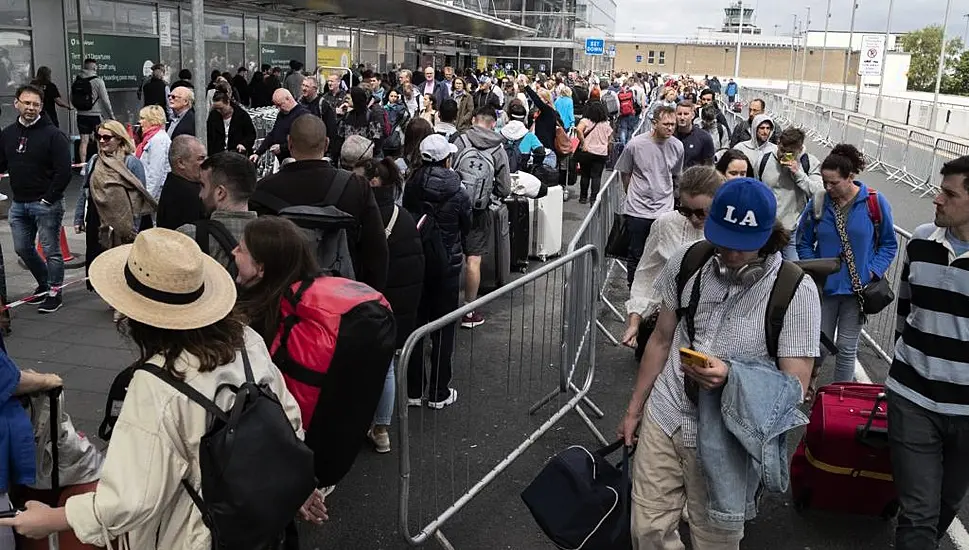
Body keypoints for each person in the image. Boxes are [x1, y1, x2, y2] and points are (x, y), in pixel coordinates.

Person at [0, 227, 326, 546]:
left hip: (197, 532)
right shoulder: (245, 340)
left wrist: (52, 520)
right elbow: (287, 419)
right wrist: (292, 486)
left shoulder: (158, 382)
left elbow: (130, 500)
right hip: (256, 520)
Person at [619, 177, 821, 550]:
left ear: (768, 236)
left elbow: (794, 387)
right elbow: (662, 339)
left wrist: (731, 377)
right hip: (666, 414)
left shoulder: (795, 290)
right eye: (722, 240)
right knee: (646, 530)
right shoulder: (690, 260)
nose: (729, 253)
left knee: (715, 540)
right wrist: (634, 409)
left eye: (742, 247)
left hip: (727, 439)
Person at [887, 155, 969, 550]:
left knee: (946, 503)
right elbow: (906, 308)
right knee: (918, 513)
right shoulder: (920, 240)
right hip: (913, 397)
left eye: (949, 194)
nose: (936, 199)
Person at [796, 144, 897, 387]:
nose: (828, 188)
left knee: (846, 348)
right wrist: (815, 268)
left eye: (834, 183)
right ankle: (810, 384)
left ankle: (840, 395)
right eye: (825, 182)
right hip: (825, 289)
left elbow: (888, 244)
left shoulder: (874, 202)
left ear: (850, 177)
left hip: (857, 292)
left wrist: (871, 271)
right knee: (819, 344)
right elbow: (803, 241)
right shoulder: (819, 203)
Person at [250, 115, 388, 292]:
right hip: (341, 297)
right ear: (327, 143)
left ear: (290, 144)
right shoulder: (355, 186)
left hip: (283, 299)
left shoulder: (263, 191)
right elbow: (376, 250)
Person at [357, 158, 424, 452]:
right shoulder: (404, 216)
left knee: (365, 367)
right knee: (387, 366)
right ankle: (381, 428)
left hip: (368, 300)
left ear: (372, 182)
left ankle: (361, 424)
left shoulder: (361, 216)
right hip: (399, 305)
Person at [402, 134, 471, 409]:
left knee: (417, 324)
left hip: (417, 260)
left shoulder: (411, 186)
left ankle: (414, 389)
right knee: (444, 328)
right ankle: (439, 391)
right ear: (447, 159)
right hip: (448, 262)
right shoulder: (458, 190)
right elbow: (466, 223)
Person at [621, 166, 723, 350]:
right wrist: (635, 322)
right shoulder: (666, 224)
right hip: (665, 327)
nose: (693, 218)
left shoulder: (729, 231)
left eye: (701, 213)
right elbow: (646, 274)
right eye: (685, 210)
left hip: (710, 336)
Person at [0, 85, 72, 314]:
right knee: (22, 248)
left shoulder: (53, 135)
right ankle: (44, 283)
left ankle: (54, 291)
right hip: (19, 203)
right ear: (17, 103)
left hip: (45, 204)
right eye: (27, 103)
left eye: (36, 104)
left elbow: (64, 171)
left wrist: (49, 199)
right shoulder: (8, 133)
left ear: (41, 106)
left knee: (51, 250)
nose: (31, 108)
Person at [74, 120, 155, 321]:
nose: (102, 141)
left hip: (126, 220)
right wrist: (78, 217)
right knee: (105, 261)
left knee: (125, 262)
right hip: (98, 219)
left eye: (107, 137)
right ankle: (114, 298)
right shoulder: (94, 160)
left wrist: (133, 226)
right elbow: (85, 190)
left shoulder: (131, 162)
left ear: (119, 139)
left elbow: (140, 193)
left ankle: (126, 303)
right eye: (99, 137)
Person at [452, 106, 512, 328]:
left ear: (474, 119)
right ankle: (468, 310)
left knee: (448, 253)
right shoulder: (498, 148)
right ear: (493, 123)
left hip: (454, 204)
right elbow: (505, 187)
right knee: (473, 259)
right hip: (479, 210)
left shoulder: (460, 141)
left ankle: (442, 306)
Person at [616, 105, 684, 286]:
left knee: (663, 254)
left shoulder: (677, 146)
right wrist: (630, 193)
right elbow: (625, 172)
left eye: (673, 124)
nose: (670, 128)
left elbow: (676, 174)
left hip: (664, 210)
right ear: (654, 123)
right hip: (637, 210)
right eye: (666, 124)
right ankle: (633, 292)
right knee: (636, 255)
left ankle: (655, 295)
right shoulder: (635, 144)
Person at [177, 152, 257, 272]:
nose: (200, 195)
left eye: (203, 186)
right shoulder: (273, 238)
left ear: (220, 193)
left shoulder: (189, 236)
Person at [758, 128, 823, 260]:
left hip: (793, 231)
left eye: (790, 153)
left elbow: (819, 193)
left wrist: (798, 174)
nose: (784, 155)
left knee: (792, 272)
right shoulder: (763, 160)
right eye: (782, 150)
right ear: (778, 142)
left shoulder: (809, 162)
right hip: (767, 228)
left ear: (799, 149)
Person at [156, 135, 207, 230]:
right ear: (181, 163)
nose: (206, 163)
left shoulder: (175, 183)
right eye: (201, 158)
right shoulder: (187, 194)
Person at [249, 89, 310, 163]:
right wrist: (258, 153)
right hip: (283, 161)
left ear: (288, 99)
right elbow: (273, 134)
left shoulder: (303, 115)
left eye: (280, 105)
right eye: (276, 106)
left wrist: (282, 148)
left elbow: (303, 141)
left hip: (296, 162)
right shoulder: (282, 114)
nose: (278, 108)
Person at [74, 59, 114, 169]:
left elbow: (72, 97)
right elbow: (106, 100)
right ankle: (100, 164)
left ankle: (83, 167)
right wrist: (111, 115)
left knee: (84, 141)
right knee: (99, 140)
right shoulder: (98, 81)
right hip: (95, 115)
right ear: (94, 68)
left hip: (81, 114)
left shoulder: (77, 80)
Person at [574, 100, 613, 204]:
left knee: (585, 175)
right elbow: (610, 140)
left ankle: (583, 197)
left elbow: (578, 130)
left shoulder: (586, 121)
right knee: (596, 176)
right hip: (601, 153)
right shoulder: (606, 124)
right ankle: (594, 198)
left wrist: (583, 143)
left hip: (587, 151)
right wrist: (609, 151)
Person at [136, 105, 172, 202]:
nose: (140, 122)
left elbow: (156, 172)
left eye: (143, 118)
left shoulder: (158, 140)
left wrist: (148, 198)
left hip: (156, 195)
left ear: (152, 120)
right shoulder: (151, 138)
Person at [298, 76, 338, 158]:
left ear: (315, 89)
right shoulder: (299, 102)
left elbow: (331, 130)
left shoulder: (323, 105)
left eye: (307, 86)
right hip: (302, 147)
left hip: (318, 148)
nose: (304, 88)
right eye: (303, 85)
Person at [207, 91, 256, 156]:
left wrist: (244, 144)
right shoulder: (213, 116)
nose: (219, 111)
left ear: (228, 102)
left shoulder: (242, 115)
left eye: (221, 108)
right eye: (216, 109)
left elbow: (251, 134)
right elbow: (209, 136)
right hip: (218, 155)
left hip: (236, 154)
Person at [673, 101, 715, 169]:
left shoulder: (704, 137)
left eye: (686, 114)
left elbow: (709, 167)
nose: (682, 118)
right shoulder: (669, 136)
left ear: (692, 115)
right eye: (679, 114)